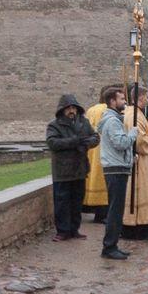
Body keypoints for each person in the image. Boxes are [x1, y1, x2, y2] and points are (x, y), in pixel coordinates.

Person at [46, 94, 99, 242]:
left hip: (79, 167)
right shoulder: (54, 125)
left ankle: (74, 229)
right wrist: (75, 141)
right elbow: (53, 143)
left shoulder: (84, 122)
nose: (71, 110)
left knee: (77, 201)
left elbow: (95, 137)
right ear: (62, 110)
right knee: (62, 201)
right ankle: (62, 231)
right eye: (68, 108)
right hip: (62, 170)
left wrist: (86, 143)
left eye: (73, 108)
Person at [97, 88, 138, 260]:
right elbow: (120, 143)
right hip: (115, 169)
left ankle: (112, 244)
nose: (125, 102)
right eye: (122, 99)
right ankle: (109, 246)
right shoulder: (112, 121)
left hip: (117, 167)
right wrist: (132, 135)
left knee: (116, 208)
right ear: (113, 101)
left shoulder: (113, 119)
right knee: (115, 209)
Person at [122, 87, 148, 241]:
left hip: (146, 163)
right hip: (140, 163)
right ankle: (139, 228)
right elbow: (138, 139)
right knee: (140, 194)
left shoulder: (138, 113)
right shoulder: (132, 115)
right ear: (140, 97)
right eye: (146, 96)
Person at [84, 85, 117, 223]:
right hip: (105, 149)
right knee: (103, 181)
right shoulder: (109, 111)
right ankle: (103, 214)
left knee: (94, 179)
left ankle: (94, 209)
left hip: (92, 149)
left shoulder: (91, 110)